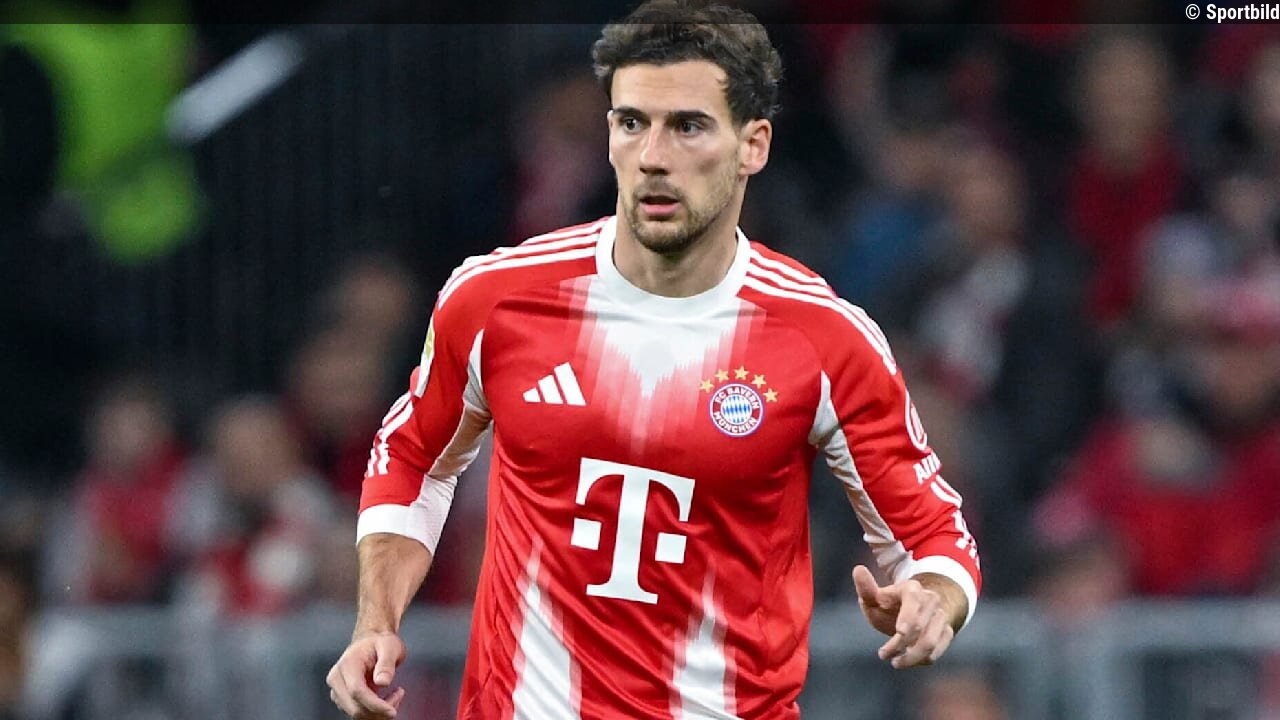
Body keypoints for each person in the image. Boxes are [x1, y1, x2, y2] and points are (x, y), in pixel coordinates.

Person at [327, 3, 982, 718]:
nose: (653, 156)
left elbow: (934, 538)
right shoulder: (496, 298)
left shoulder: (824, 339)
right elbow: (413, 459)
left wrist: (933, 599)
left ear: (753, 146)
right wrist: (376, 620)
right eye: (632, 122)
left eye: (688, 126)